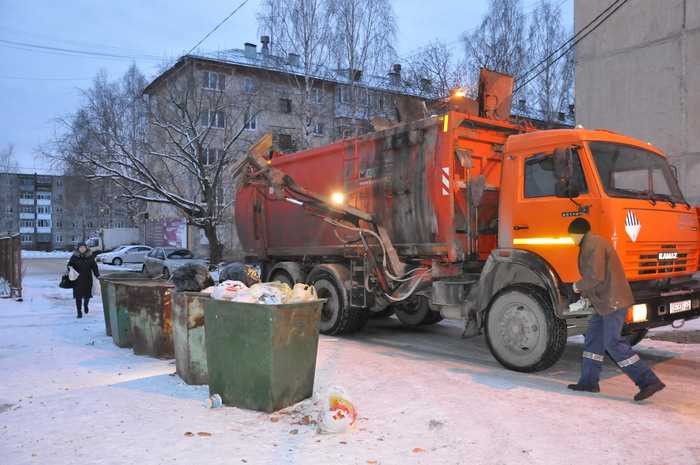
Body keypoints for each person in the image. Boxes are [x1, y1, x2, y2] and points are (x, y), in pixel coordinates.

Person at [566, 218, 665, 401]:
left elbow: (596, 276)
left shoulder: (592, 245)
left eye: (571, 235)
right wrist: (585, 297)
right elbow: (598, 277)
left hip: (613, 302)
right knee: (593, 340)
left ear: (578, 233)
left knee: (613, 342)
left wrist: (576, 287)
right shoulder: (593, 243)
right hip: (603, 303)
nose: (571, 239)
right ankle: (588, 382)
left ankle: (648, 381)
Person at [67, 242, 100, 319]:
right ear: (78, 248)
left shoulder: (90, 256)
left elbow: (94, 267)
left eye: (83, 247)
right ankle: (79, 312)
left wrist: (97, 275)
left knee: (87, 295)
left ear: (86, 248)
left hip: (87, 279)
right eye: (81, 247)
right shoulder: (74, 257)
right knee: (78, 296)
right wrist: (69, 267)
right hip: (77, 279)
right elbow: (69, 265)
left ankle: (85, 305)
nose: (82, 249)